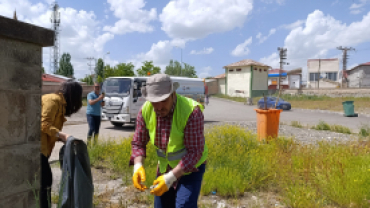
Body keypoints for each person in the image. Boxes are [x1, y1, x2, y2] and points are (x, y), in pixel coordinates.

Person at [130, 74, 208, 208]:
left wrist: (170, 178)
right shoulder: (145, 110)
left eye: (163, 100)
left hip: (191, 168)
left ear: (173, 94)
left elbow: (194, 152)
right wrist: (138, 166)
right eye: (154, 101)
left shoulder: (191, 111)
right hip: (165, 168)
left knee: (184, 205)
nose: (159, 106)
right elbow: (138, 143)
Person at [40, 80, 83, 208]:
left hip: (44, 149)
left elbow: (50, 130)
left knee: (44, 182)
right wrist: (62, 135)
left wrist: (62, 138)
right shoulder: (53, 100)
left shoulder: (60, 105)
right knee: (45, 182)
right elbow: (43, 124)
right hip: (37, 149)